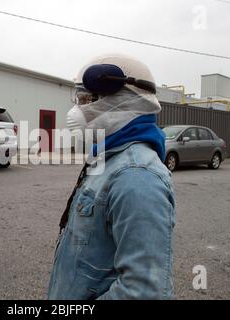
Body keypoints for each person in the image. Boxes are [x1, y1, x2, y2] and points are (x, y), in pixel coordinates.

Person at [48, 54, 176, 299]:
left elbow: (144, 291)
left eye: (86, 99)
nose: (76, 110)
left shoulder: (137, 177)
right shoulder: (108, 157)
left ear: (122, 102)